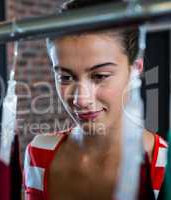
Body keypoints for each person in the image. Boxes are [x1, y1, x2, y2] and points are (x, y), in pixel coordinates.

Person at [23, 0, 168, 199]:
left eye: (100, 76)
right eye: (65, 77)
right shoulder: (38, 152)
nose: (81, 100)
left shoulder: (165, 166)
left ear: (135, 70)